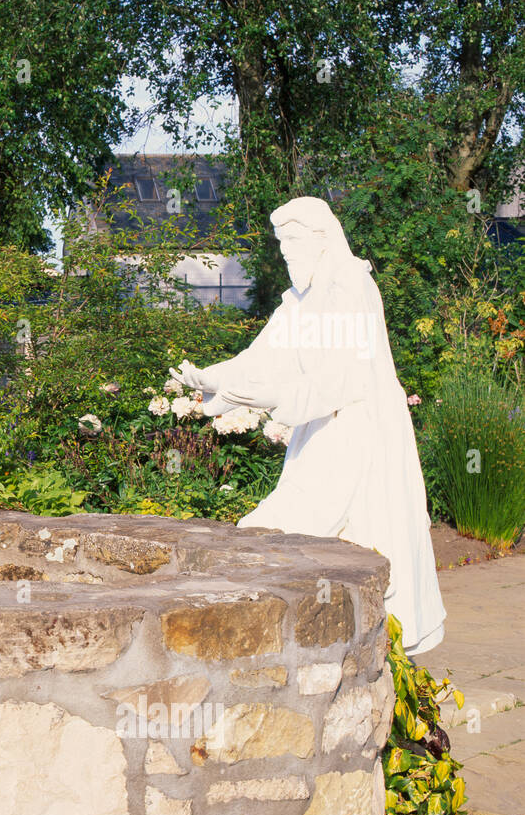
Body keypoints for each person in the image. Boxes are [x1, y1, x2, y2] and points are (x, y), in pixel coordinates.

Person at [173, 196, 445, 655]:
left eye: (293, 243)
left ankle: (367, 652)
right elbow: (260, 357)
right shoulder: (299, 301)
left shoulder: (352, 288)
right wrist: (212, 380)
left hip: (360, 427)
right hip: (320, 427)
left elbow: (343, 376)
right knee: (292, 529)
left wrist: (271, 396)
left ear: (322, 240)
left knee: (350, 532)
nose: (287, 254)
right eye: (282, 246)